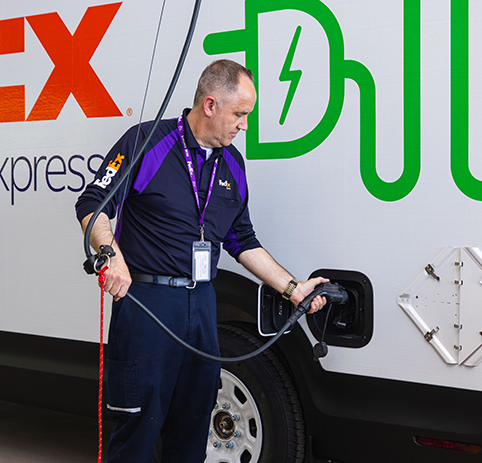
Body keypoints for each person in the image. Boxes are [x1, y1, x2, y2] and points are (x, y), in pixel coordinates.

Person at [75, 59, 327, 463]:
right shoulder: (147, 142)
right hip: (147, 304)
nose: (244, 125)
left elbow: (242, 240)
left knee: (193, 426)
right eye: (240, 114)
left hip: (201, 306)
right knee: (138, 428)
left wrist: (293, 289)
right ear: (210, 105)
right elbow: (93, 204)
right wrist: (111, 256)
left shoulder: (232, 165)